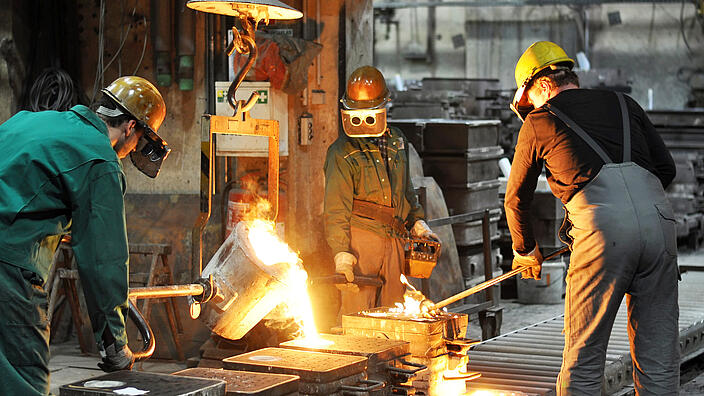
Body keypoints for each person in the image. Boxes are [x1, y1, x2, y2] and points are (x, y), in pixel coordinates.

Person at [504, 41, 679, 395]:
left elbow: (516, 199)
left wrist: (526, 250)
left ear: (541, 85)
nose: (533, 108)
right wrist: (635, 205)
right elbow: (667, 168)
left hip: (602, 235)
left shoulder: (540, 120)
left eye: (531, 101)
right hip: (660, 227)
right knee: (659, 358)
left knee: (584, 358)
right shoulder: (624, 103)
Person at [0, 76, 170, 395]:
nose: (132, 150)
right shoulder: (100, 160)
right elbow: (103, 262)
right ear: (130, 127)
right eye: (140, 141)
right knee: (23, 377)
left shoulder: (32, 120)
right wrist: (114, 344)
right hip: (7, 270)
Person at [324, 65, 439, 315]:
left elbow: (406, 191)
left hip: (396, 239)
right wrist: (342, 253)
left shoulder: (397, 141)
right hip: (361, 243)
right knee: (358, 313)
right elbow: (336, 209)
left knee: (396, 311)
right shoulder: (341, 152)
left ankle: (394, 356)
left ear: (384, 107)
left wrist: (418, 223)